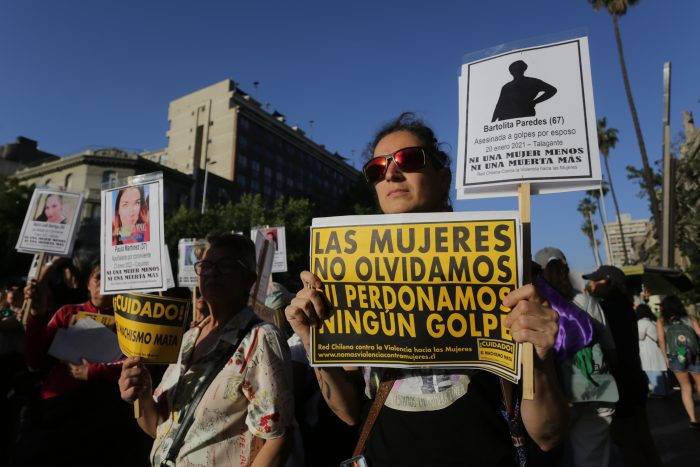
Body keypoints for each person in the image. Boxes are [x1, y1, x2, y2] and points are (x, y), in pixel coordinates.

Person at [285, 113, 568, 466]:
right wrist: (314, 342)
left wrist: (540, 361)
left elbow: (548, 435)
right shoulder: (350, 273)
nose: (391, 173)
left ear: (443, 176)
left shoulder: (501, 269)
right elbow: (348, 414)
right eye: (377, 168)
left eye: (408, 159)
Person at [120, 233, 294, 466]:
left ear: (250, 279)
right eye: (206, 265)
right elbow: (157, 428)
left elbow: (277, 439)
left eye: (226, 265)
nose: (213, 272)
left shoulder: (261, 338)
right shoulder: (189, 338)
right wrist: (139, 394)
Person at [16, 261, 134, 466]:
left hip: (104, 413)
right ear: (87, 284)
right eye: (98, 276)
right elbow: (36, 360)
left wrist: (93, 371)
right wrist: (36, 315)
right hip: (57, 408)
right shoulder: (67, 313)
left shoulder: (130, 322)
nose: (104, 281)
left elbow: (135, 365)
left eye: (112, 277)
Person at [534, 247, 617, 467]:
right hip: (595, 388)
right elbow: (609, 347)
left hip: (555, 391)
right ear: (567, 268)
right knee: (592, 457)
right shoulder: (587, 302)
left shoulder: (536, 307)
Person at [583, 265, 662, 467]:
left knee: (626, 441)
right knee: (644, 437)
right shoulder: (625, 305)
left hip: (621, 382)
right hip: (635, 378)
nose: (592, 284)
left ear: (609, 282)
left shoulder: (606, 309)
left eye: (596, 280)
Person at [656, 295, 700, 429]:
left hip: (675, 356)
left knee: (685, 387)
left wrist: (665, 357)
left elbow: (662, 341)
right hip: (694, 355)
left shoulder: (662, 321)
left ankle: (693, 420)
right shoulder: (690, 318)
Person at [491, 60, 557, 122]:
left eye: (518, 69)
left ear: (523, 70)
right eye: (514, 70)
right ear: (511, 72)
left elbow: (552, 90)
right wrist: (493, 122)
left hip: (525, 116)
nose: (516, 72)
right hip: (506, 119)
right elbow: (499, 105)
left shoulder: (533, 82)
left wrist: (535, 102)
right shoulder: (507, 87)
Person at [636, 304, 668, 397]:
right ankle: (665, 391)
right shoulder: (653, 321)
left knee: (652, 370)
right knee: (658, 370)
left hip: (648, 351)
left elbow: (640, 336)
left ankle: (659, 392)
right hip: (656, 350)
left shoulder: (642, 322)